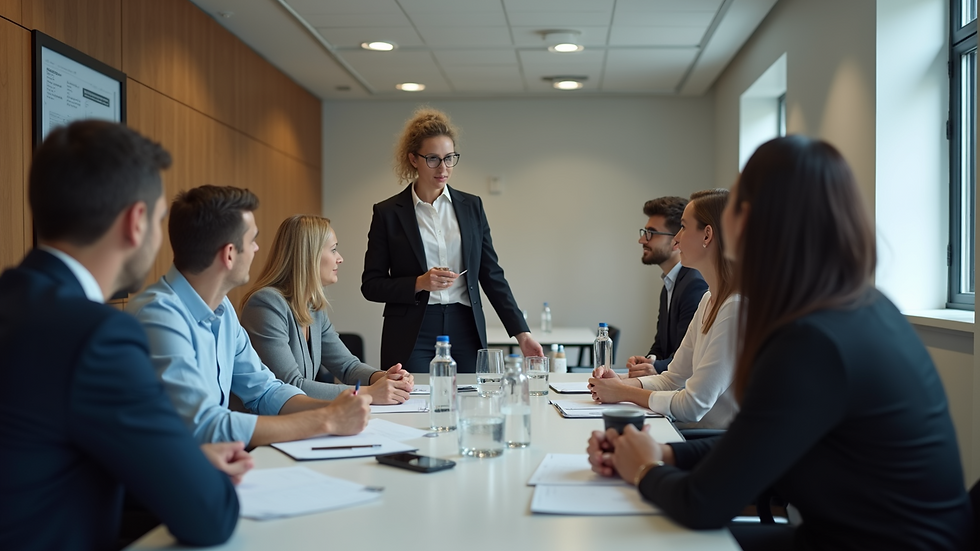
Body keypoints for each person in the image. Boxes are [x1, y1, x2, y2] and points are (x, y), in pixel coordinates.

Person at [587, 136, 974, 550]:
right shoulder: (859, 310)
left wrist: (644, 468)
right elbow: (752, 445)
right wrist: (665, 455)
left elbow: (703, 503)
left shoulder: (811, 341)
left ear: (746, 219)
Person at [0, 120, 250, 550]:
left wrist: (181, 460)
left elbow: (40, 461)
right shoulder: (98, 336)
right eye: (158, 219)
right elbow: (209, 516)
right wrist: (192, 472)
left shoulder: (14, 300)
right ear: (136, 222)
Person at [128, 186, 371, 447]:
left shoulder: (224, 312)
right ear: (230, 254)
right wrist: (326, 420)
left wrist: (333, 410)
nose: (256, 249)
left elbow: (266, 390)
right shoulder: (160, 317)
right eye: (252, 240)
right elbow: (204, 425)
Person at [361, 107, 543, 373]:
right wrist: (419, 283)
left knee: (470, 404)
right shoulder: (387, 213)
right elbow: (371, 285)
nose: (443, 168)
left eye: (449, 158)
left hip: (465, 326)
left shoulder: (472, 207)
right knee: (410, 408)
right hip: (412, 332)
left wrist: (521, 333)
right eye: (432, 159)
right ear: (413, 159)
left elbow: (491, 274)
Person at [589, 190, 739, 429]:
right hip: (687, 431)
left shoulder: (735, 308)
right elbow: (672, 378)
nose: (676, 240)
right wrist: (621, 383)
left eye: (683, 227)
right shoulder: (708, 299)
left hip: (712, 445)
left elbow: (693, 405)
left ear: (707, 235)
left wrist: (623, 393)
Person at [241, 215, 415, 402]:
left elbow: (347, 366)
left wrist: (383, 378)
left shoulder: (313, 307)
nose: (340, 259)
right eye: (333, 250)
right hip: (266, 424)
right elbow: (290, 385)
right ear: (309, 255)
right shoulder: (266, 304)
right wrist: (369, 393)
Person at [627, 196, 708, 376]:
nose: (642, 240)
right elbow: (661, 346)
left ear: (676, 240)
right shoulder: (670, 283)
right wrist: (648, 360)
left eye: (651, 233)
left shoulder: (694, 284)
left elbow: (688, 358)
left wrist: (654, 368)